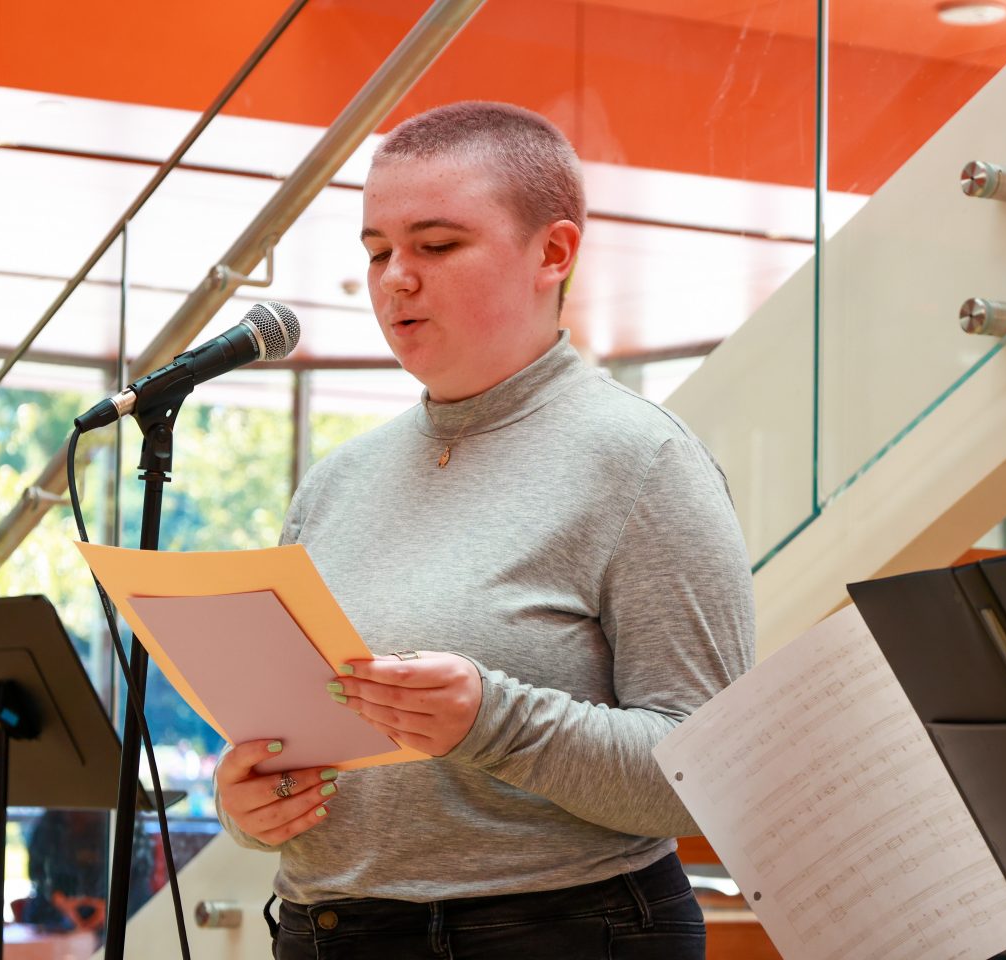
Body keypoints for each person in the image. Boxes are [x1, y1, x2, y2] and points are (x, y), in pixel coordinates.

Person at [214, 101, 754, 959]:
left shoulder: (644, 462)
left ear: (554, 252)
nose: (395, 278)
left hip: (557, 934)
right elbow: (304, 736)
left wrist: (492, 721)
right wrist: (252, 804)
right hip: (324, 933)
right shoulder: (335, 482)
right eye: (378, 251)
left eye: (436, 245)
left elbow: (714, 779)